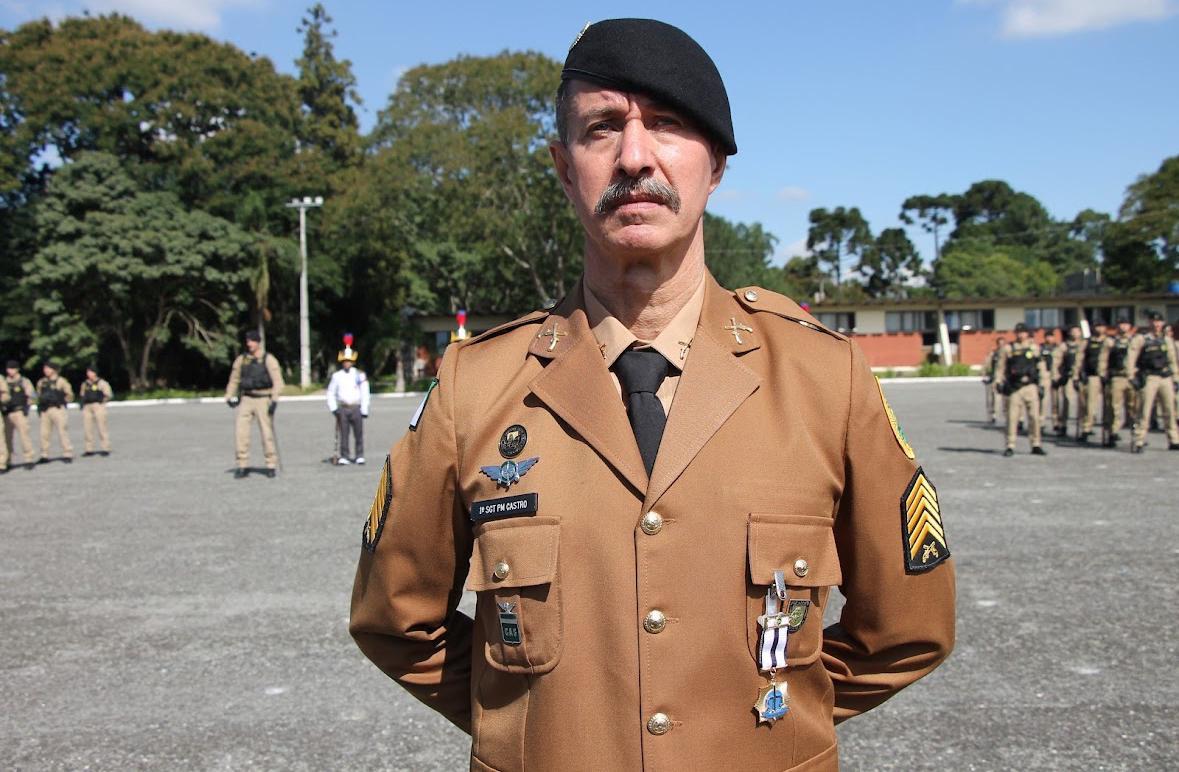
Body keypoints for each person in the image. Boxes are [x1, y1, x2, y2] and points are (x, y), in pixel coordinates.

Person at [349, 19, 955, 771]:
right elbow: (395, 620)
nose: (635, 156)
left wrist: (768, 716)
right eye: (602, 128)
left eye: (667, 124)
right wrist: (534, 726)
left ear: (717, 163)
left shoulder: (824, 379)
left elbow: (907, 626)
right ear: (563, 168)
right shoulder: (474, 389)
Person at [224, 330, 283, 478]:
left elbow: (278, 381)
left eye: (252, 341)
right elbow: (234, 379)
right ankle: (242, 464)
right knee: (241, 433)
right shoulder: (242, 359)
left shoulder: (268, 359)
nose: (249, 343)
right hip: (246, 399)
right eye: (248, 341)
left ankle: (270, 464)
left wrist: (274, 400)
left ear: (258, 342)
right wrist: (229, 397)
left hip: (263, 398)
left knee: (266, 433)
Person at [1126, 312, 1179, 453]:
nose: (1157, 324)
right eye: (1154, 322)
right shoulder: (1141, 339)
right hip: (1149, 377)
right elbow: (1131, 357)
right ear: (1149, 323)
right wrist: (1131, 376)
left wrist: (1176, 378)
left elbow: (1173, 360)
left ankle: (1174, 439)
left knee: (1170, 410)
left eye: (1159, 322)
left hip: (1165, 377)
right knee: (1144, 411)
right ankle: (1139, 440)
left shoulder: (1167, 340)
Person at [995, 323, 1047, 457]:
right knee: (1012, 418)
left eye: (1023, 332)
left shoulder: (1034, 348)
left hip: (1030, 386)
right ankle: (1010, 445)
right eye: (1018, 332)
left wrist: (1043, 384)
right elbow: (1000, 367)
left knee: (1034, 417)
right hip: (1014, 387)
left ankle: (1036, 444)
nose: (1020, 335)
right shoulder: (1008, 349)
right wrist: (998, 381)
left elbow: (1041, 366)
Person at [327, 335, 371, 465]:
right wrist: (334, 408)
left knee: (358, 433)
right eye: (345, 361)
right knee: (344, 433)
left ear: (353, 361)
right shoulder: (337, 376)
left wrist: (364, 408)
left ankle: (359, 455)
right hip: (343, 407)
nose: (347, 363)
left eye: (349, 360)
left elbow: (365, 392)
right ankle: (344, 455)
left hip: (356, 407)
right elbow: (330, 392)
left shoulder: (359, 375)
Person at [1099, 317, 1136, 448]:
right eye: (1121, 324)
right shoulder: (1110, 341)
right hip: (1117, 377)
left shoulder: (1135, 340)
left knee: (1134, 408)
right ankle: (1113, 433)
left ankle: (1136, 434)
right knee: (1114, 407)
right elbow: (1103, 359)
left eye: (1126, 324)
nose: (1123, 327)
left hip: (1132, 378)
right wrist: (1102, 374)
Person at [36, 361, 74, 463]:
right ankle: (44, 455)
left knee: (62, 432)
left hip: (57, 409)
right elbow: (39, 394)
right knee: (44, 433)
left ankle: (67, 453)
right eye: (45, 368)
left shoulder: (61, 381)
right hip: (45, 410)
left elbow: (69, 395)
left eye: (48, 368)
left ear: (53, 370)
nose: (46, 370)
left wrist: (62, 401)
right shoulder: (41, 382)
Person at [3, 360, 37, 470]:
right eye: (8, 368)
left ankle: (29, 459)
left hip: (19, 412)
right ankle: (6, 461)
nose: (10, 371)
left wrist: (26, 407)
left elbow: (31, 395)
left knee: (24, 436)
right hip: (7, 413)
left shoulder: (24, 381)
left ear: (17, 369)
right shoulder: (4, 381)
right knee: (6, 439)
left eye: (12, 368)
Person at [1077, 323, 1107, 444]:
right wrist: (1077, 374)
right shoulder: (1087, 342)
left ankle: (1111, 431)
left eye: (1101, 326)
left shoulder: (1109, 341)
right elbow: (1080, 359)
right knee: (1090, 404)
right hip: (1092, 376)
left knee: (1110, 406)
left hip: (1106, 376)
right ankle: (1087, 428)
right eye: (1097, 326)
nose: (1099, 328)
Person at [1052, 325, 1082, 438]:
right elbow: (1056, 361)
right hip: (1068, 377)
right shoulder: (1064, 346)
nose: (1075, 333)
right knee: (1067, 401)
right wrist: (1056, 376)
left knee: (1083, 403)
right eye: (1072, 331)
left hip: (1081, 377)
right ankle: (1063, 425)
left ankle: (1084, 427)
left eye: (1077, 331)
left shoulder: (1084, 345)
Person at [79, 365, 113, 456]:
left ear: (95, 373)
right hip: (87, 406)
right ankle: (89, 449)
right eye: (88, 372)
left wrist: (102, 401)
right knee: (88, 428)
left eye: (90, 372)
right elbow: (82, 394)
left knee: (102, 427)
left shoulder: (102, 383)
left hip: (98, 406)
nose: (88, 374)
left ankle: (105, 448)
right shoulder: (85, 384)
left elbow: (108, 394)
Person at [984, 337, 1005, 423]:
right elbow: (987, 364)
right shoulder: (994, 354)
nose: (1001, 345)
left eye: (1003, 344)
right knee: (992, 398)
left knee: (1003, 399)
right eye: (1000, 343)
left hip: (1005, 379)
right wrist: (985, 374)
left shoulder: (1009, 353)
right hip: (994, 378)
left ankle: (1003, 415)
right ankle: (993, 415)